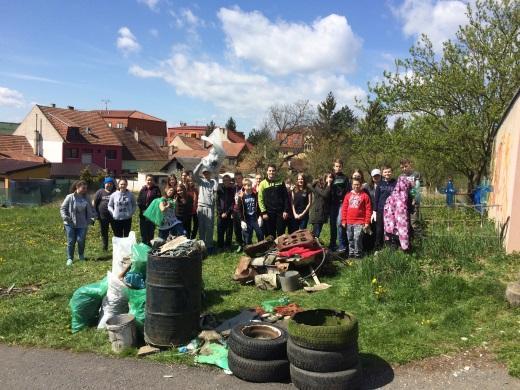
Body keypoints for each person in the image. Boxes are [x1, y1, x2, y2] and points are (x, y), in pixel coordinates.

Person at [60, 180, 96, 266]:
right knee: (71, 241)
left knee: (81, 240)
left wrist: (94, 216)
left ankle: (81, 255)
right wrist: (65, 217)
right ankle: (70, 258)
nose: (85, 190)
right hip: (70, 223)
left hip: (83, 223)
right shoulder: (70, 197)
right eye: (83, 188)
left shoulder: (87, 197)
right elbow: (63, 208)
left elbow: (91, 208)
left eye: (86, 188)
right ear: (77, 187)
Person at [341, 178, 372, 259]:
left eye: (358, 184)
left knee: (357, 239)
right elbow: (344, 209)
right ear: (352, 185)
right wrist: (343, 220)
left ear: (361, 185)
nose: (356, 186)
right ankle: (351, 254)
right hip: (349, 222)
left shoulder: (365, 196)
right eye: (354, 184)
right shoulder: (348, 195)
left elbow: (368, 210)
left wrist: (367, 222)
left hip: (360, 222)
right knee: (350, 238)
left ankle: (358, 255)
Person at [258, 164, 289, 238]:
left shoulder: (281, 182)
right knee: (270, 234)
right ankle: (272, 249)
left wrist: (285, 210)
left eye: (273, 171)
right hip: (268, 213)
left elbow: (286, 197)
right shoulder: (262, 183)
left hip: (280, 212)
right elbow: (260, 199)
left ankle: (280, 248)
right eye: (270, 171)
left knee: (281, 233)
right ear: (267, 172)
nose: (271, 172)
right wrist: (264, 212)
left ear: (275, 172)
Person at [193, 162, 218, 253]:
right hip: (201, 207)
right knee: (202, 227)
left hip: (210, 207)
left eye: (208, 173)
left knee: (210, 227)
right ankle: (202, 245)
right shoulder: (201, 181)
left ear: (210, 173)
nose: (206, 174)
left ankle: (210, 245)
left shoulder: (213, 182)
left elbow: (216, 187)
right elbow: (194, 173)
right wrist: (200, 164)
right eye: (205, 173)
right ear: (203, 174)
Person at [384, 176, 413, 251]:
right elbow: (401, 210)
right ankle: (404, 248)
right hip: (397, 217)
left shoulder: (395, 193)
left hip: (391, 219)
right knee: (399, 230)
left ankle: (398, 248)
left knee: (394, 233)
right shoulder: (402, 195)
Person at [330, 159, 351, 252]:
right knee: (332, 224)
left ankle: (342, 245)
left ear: (342, 167)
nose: (338, 168)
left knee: (339, 223)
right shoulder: (330, 176)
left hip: (342, 203)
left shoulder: (345, 178)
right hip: (332, 203)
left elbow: (348, 191)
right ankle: (333, 244)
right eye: (336, 166)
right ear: (333, 167)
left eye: (339, 166)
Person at [373, 166, 397, 249]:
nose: (387, 173)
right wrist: (375, 211)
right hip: (381, 210)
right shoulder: (380, 184)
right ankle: (378, 247)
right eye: (385, 172)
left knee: (391, 228)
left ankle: (391, 245)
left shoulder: (395, 183)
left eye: (389, 172)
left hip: (392, 211)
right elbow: (376, 198)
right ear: (382, 174)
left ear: (392, 172)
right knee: (379, 229)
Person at [237, 178, 264, 245]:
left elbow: (259, 206)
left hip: (255, 218)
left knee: (260, 234)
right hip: (247, 219)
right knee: (248, 237)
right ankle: (249, 249)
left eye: (250, 185)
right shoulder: (241, 197)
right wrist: (242, 220)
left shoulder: (255, 195)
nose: (249, 187)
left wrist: (260, 216)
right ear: (244, 186)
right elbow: (239, 210)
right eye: (247, 185)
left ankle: (261, 247)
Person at [137, 174, 161, 245]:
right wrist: (143, 210)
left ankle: (150, 247)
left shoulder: (156, 189)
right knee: (143, 232)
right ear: (145, 180)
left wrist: (151, 211)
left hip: (152, 215)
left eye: (151, 180)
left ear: (153, 181)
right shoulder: (143, 190)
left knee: (151, 232)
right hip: (143, 214)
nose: (149, 181)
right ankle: (144, 246)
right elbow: (139, 201)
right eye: (148, 180)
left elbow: (158, 201)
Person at [93, 177, 115, 251]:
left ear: (113, 185)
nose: (109, 185)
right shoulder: (100, 192)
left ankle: (117, 247)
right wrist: (95, 214)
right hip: (102, 217)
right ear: (104, 184)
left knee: (116, 232)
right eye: (107, 184)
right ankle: (105, 247)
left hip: (114, 216)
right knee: (104, 232)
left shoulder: (115, 192)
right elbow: (94, 203)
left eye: (111, 184)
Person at [400, 158, 421, 235]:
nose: (404, 169)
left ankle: (418, 240)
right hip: (404, 202)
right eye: (402, 167)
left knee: (414, 222)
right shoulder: (401, 176)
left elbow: (416, 188)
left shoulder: (416, 174)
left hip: (413, 202)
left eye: (406, 166)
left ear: (410, 165)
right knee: (405, 222)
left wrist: (414, 199)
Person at [307, 173, 332, 238]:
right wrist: (329, 184)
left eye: (331, 177)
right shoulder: (317, 186)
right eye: (329, 177)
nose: (330, 179)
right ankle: (313, 247)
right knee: (316, 233)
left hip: (322, 213)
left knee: (317, 232)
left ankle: (314, 246)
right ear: (325, 178)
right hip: (317, 213)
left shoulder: (327, 187)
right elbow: (324, 194)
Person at [216, 174, 235, 250]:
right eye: (225, 180)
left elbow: (233, 203)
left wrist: (227, 213)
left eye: (228, 180)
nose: (226, 182)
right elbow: (217, 202)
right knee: (220, 230)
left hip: (229, 213)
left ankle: (228, 245)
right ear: (223, 181)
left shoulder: (232, 190)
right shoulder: (219, 190)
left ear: (230, 181)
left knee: (229, 230)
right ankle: (220, 245)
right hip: (220, 214)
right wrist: (221, 213)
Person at [365, 169, 381, 251]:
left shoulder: (383, 185)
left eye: (378, 175)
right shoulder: (367, 187)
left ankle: (378, 246)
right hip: (370, 210)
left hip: (380, 210)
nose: (376, 177)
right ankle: (369, 247)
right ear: (371, 177)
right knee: (371, 228)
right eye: (374, 176)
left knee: (379, 229)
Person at [232, 172, 245, 252]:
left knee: (244, 228)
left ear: (242, 178)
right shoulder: (234, 188)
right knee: (237, 229)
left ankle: (246, 244)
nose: (238, 180)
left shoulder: (246, 187)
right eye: (236, 179)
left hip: (243, 211)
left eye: (239, 178)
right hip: (235, 211)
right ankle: (240, 244)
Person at [186, 174, 199, 239]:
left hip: (195, 210)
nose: (190, 182)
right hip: (188, 211)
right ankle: (188, 238)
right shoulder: (186, 190)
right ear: (187, 182)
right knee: (188, 226)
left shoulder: (195, 190)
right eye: (189, 181)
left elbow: (198, 199)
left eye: (192, 181)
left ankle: (193, 237)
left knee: (196, 225)